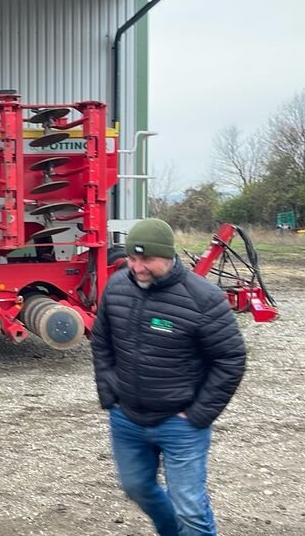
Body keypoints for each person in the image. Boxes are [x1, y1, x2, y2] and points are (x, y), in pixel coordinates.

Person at [91, 218, 247, 536]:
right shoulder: (117, 286)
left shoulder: (203, 298)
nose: (137, 267)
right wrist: (110, 392)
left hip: (181, 424)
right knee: (137, 488)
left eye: (146, 259)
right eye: (132, 259)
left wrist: (199, 413)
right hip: (128, 418)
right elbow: (101, 340)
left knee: (189, 507)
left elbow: (230, 358)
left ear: (168, 256)